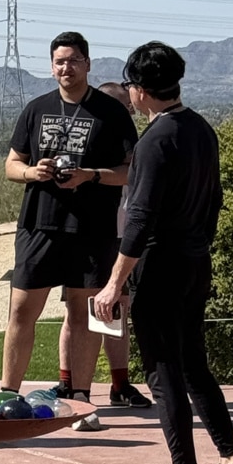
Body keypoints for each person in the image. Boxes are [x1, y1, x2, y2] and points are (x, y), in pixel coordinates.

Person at [94, 41, 233, 464]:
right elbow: (212, 203)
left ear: (140, 90)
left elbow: (140, 221)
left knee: (163, 374)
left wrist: (114, 283)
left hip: (160, 268)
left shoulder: (153, 141)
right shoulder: (202, 129)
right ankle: (230, 460)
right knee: (194, 366)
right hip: (194, 262)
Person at [1, 32, 138, 406]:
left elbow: (129, 171)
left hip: (91, 228)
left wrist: (89, 174)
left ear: (88, 64)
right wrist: (34, 173)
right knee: (21, 310)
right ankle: (8, 394)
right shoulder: (35, 108)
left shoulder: (111, 113)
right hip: (39, 225)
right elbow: (11, 164)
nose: (67, 67)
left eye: (74, 60)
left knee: (84, 312)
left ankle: (80, 397)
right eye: (60, 61)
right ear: (51, 66)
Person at [57, 81, 151, 431]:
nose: (127, 112)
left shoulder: (131, 142)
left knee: (115, 310)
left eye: (128, 107)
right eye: (121, 106)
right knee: (77, 311)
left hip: (122, 236)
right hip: (89, 234)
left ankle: (120, 383)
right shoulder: (88, 139)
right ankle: (69, 384)